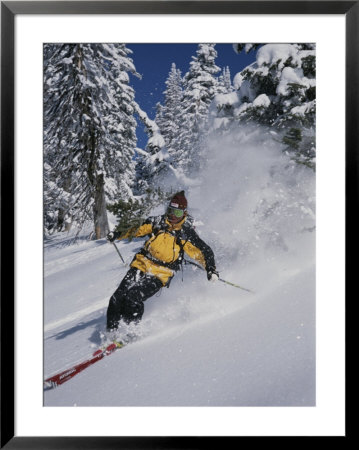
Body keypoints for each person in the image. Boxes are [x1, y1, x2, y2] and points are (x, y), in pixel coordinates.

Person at [106, 191, 218, 332]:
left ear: (184, 213)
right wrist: (117, 234)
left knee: (133, 297)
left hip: (161, 273)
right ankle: (111, 333)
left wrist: (211, 269)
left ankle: (130, 331)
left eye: (177, 213)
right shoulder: (157, 222)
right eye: (170, 211)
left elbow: (204, 251)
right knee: (116, 298)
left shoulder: (185, 233)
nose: (172, 216)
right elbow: (135, 229)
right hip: (141, 264)